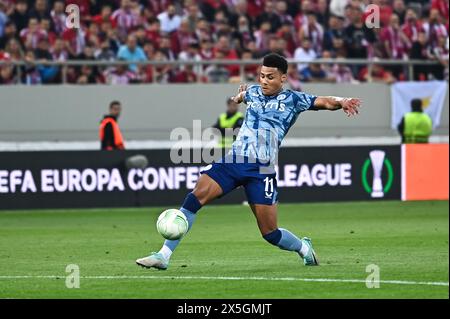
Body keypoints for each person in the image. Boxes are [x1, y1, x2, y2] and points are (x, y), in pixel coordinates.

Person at [136, 53, 361, 270]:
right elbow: (244, 96)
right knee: (195, 197)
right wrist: (239, 96)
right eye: (262, 75)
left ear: (283, 78)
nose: (264, 81)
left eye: (270, 77)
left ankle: (304, 248)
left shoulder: (294, 100)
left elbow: (325, 102)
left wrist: (342, 101)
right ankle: (163, 256)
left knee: (270, 233)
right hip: (233, 160)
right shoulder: (253, 92)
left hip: (262, 169)